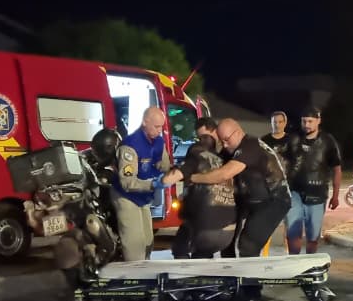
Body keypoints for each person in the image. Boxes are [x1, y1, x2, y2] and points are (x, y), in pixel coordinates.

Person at [168, 118, 290, 257]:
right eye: (222, 141)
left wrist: (191, 177)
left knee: (248, 243)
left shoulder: (250, 146)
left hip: (273, 200)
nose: (224, 145)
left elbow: (223, 174)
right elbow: (213, 165)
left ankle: (248, 276)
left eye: (227, 140)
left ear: (237, 133)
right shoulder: (231, 149)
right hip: (249, 200)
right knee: (230, 241)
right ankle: (230, 273)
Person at [170, 117, 237, 258]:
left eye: (204, 136)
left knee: (183, 247)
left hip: (214, 219)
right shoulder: (222, 154)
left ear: (214, 131)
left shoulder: (223, 151)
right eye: (200, 137)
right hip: (226, 219)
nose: (202, 141)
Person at [111, 106, 172, 261]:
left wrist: (173, 172)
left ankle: (145, 271)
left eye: (161, 127)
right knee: (135, 245)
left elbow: (164, 165)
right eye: (156, 126)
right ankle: (133, 276)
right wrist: (153, 185)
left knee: (147, 242)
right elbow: (127, 182)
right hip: (127, 196)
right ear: (145, 122)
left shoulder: (158, 141)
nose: (160, 130)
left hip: (143, 197)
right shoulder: (130, 146)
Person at [284, 106, 342, 254]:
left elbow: (337, 169)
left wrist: (335, 196)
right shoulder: (293, 138)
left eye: (310, 121)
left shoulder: (328, 141)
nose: (307, 125)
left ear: (318, 121)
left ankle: (309, 264)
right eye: (304, 121)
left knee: (313, 236)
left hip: (317, 194)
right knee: (293, 233)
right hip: (294, 193)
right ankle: (294, 264)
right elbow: (283, 163)